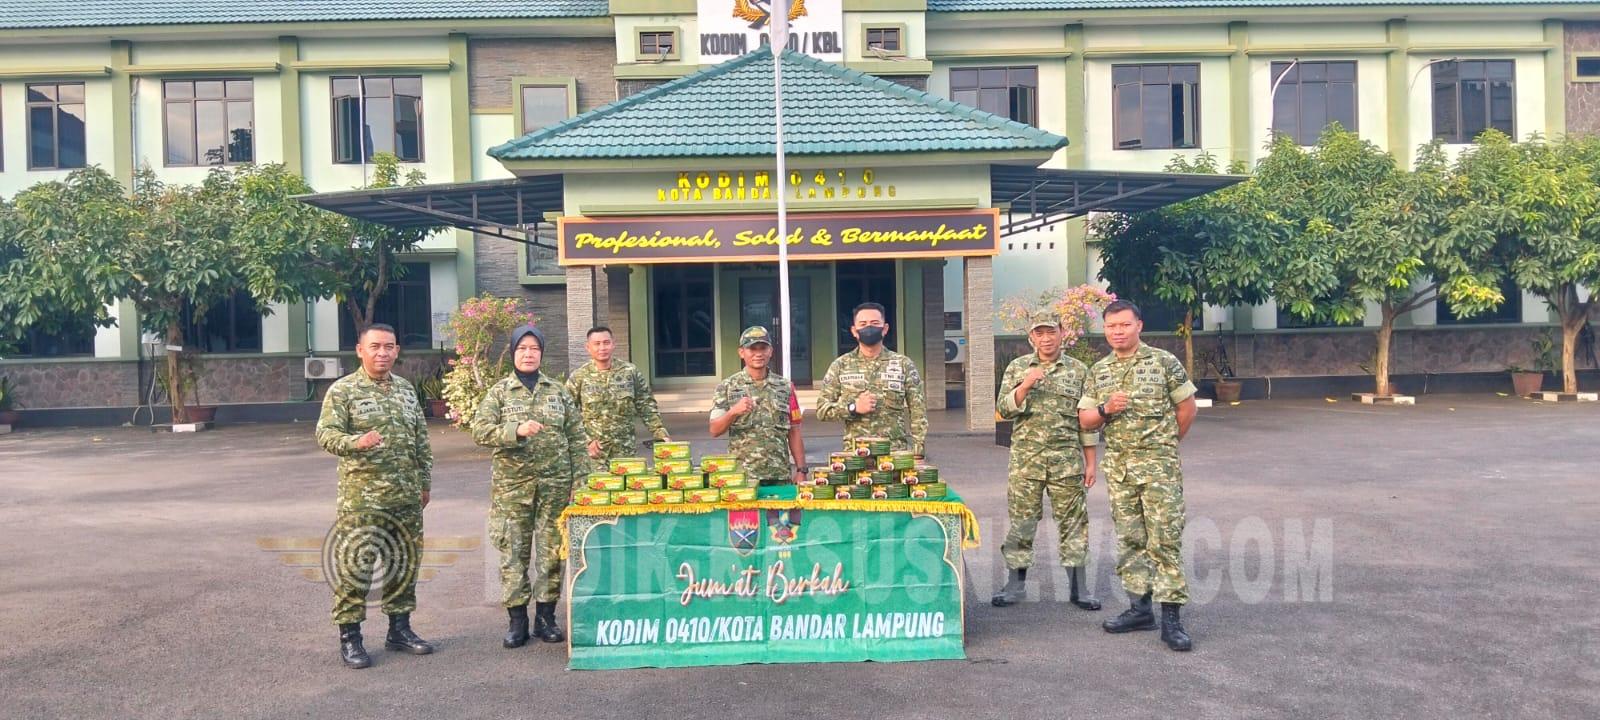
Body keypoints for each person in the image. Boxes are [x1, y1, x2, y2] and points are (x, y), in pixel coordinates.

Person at [1078, 300, 1199, 652]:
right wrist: (1105, 409)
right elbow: (1085, 419)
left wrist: (1164, 445)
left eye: (1124, 325)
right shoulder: (1098, 371)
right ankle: (1139, 609)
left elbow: (1186, 408)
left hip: (1158, 467)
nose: (1118, 331)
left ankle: (1172, 618)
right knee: (1130, 539)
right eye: (1111, 326)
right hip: (1120, 468)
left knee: (1164, 539)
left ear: (1139, 326)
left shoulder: (1163, 362)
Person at [314, 323, 435, 669]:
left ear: (397, 351)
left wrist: (424, 483)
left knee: (404, 566)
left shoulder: (406, 390)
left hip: (406, 497)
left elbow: (421, 441)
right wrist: (356, 442)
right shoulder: (343, 391)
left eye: (389, 347)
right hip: (362, 500)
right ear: (360, 350)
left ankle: (400, 630)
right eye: (375, 346)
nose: (382, 353)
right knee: (356, 569)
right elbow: (325, 435)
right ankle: (350, 637)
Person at [471, 324, 586, 648]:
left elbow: (576, 437)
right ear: (512, 353)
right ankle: (517, 621)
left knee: (551, 553)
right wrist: (515, 430)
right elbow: (479, 431)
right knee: (513, 554)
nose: (528, 353)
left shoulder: (558, 391)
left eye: (534, 348)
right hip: (513, 489)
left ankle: (546, 619)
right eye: (522, 348)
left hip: (555, 486)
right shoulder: (499, 392)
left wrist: (581, 481)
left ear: (541, 354)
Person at [991, 310, 1101, 612]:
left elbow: (1085, 421)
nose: (1046, 338)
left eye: (1051, 332)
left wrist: (1091, 462)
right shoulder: (1018, 367)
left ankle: (1079, 589)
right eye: (1039, 333)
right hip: (1027, 462)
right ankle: (1015, 584)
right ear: (1031, 338)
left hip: (1067, 462)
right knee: (1022, 522)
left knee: (1074, 523)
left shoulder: (1079, 371)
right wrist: (1025, 384)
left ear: (1062, 333)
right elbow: (1004, 409)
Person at [814, 302, 928, 456]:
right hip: (855, 455)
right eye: (863, 324)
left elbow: (918, 411)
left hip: (894, 453)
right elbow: (822, 411)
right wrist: (853, 408)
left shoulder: (903, 364)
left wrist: (918, 450)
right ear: (854, 331)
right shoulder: (840, 365)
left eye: (875, 323)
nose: (869, 328)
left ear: (885, 328)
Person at [709, 326, 806, 485]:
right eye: (752, 349)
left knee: (782, 511)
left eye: (763, 348)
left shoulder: (785, 387)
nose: (758, 353)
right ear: (741, 352)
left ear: (771, 351)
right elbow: (714, 430)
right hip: (743, 478)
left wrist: (802, 470)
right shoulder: (727, 387)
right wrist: (733, 412)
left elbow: (794, 431)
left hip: (779, 475)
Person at [565, 326, 670, 469]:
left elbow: (645, 404)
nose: (602, 347)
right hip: (594, 454)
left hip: (625, 450)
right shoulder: (579, 376)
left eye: (606, 342)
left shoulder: (629, 372)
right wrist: (585, 440)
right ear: (588, 347)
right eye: (597, 344)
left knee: (628, 489)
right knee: (598, 490)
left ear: (613, 344)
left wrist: (659, 432)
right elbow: (567, 413)